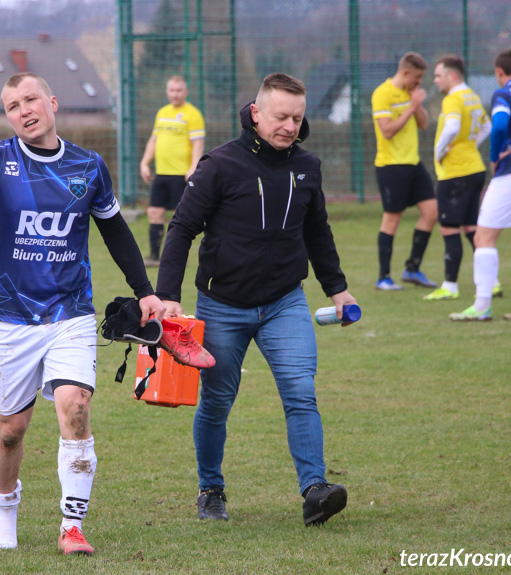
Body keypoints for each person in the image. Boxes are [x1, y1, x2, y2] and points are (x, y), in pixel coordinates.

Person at [0, 72, 165, 554]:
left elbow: (115, 231)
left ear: (53, 102)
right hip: (7, 318)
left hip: (70, 312)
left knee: (75, 407)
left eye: (31, 99)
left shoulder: (88, 165)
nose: (24, 110)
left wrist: (143, 291)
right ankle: (4, 508)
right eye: (13, 105)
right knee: (11, 430)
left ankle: (72, 527)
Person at [155, 73, 355, 526]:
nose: (289, 126)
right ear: (257, 113)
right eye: (281, 116)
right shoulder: (219, 164)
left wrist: (337, 288)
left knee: (301, 391)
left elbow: (317, 232)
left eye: (297, 118)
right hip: (222, 305)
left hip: (285, 301)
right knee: (218, 401)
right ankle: (211, 489)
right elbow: (182, 228)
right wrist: (167, 295)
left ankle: (315, 490)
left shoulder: (308, 167)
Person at [450, 50, 511, 321]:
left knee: (483, 238)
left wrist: (495, 158)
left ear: (499, 73)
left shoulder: (504, 94)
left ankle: (482, 306)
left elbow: (498, 127)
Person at [424, 55, 492, 301]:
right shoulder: (471, 96)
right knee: (472, 228)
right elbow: (487, 127)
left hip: (456, 173)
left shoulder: (453, 99)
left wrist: (440, 151)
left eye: (438, 75)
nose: (436, 80)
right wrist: (469, 146)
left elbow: (452, 128)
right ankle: (491, 282)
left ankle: (450, 286)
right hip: (475, 168)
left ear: (452, 76)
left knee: (449, 229)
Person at [371, 52, 438, 291]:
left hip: (413, 163)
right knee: (392, 220)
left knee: (431, 212)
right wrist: (411, 107)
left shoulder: (412, 94)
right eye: (418, 78)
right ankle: (383, 278)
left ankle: (412, 268)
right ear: (406, 72)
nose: (420, 83)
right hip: (391, 166)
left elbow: (423, 124)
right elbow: (387, 130)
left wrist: (415, 105)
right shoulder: (382, 93)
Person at [139, 75, 205, 266]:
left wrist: (193, 167)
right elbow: (154, 140)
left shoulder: (192, 114)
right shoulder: (162, 112)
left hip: (181, 174)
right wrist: (145, 162)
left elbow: (198, 143)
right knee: (154, 213)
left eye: (178, 90)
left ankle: (175, 257)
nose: (175, 94)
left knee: (180, 218)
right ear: (167, 92)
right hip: (161, 173)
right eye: (171, 90)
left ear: (186, 92)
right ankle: (153, 256)